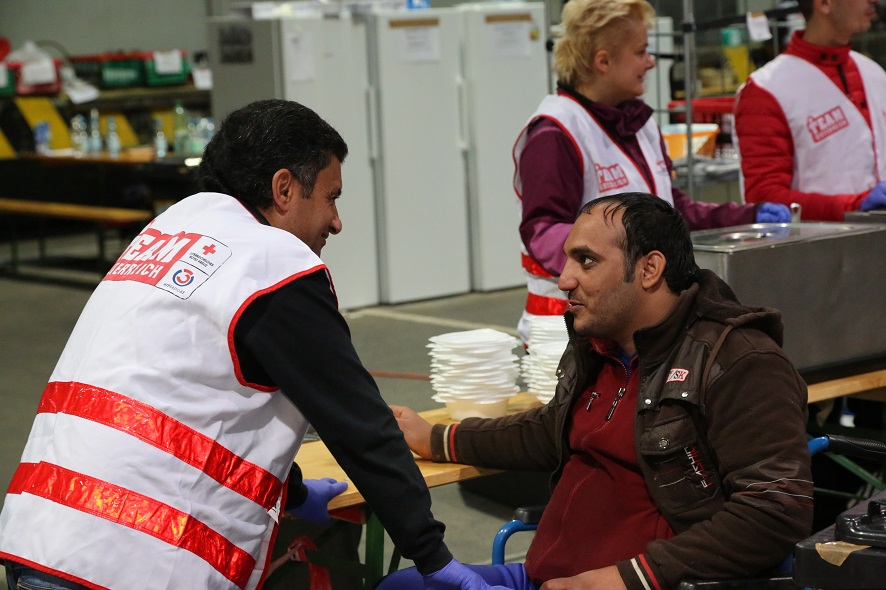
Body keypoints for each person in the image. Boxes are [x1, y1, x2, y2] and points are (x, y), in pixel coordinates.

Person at [0, 100, 503, 590]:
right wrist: (432, 554)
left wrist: (295, 490)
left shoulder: (169, 230)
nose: (336, 222)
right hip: (135, 558)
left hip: (40, 537)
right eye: (332, 197)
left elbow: (186, 397)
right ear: (284, 188)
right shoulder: (273, 264)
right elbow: (359, 423)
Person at [379, 192, 814, 590]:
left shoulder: (738, 361)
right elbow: (551, 429)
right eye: (568, 260)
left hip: (646, 583)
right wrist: (436, 439)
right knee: (402, 586)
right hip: (546, 576)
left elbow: (775, 511)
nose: (564, 279)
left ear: (649, 269)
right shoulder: (599, 345)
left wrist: (628, 578)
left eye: (586, 261)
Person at [515, 0, 790, 343]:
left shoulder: (639, 125)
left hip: (634, 323)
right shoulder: (555, 133)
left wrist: (749, 215)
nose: (650, 62)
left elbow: (672, 212)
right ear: (603, 61)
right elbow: (544, 231)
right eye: (641, 51)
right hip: (569, 333)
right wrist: (624, 263)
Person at [734, 0, 886, 221]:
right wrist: (854, 206)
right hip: (818, 249)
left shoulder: (875, 74)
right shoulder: (765, 90)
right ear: (824, 3)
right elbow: (765, 198)